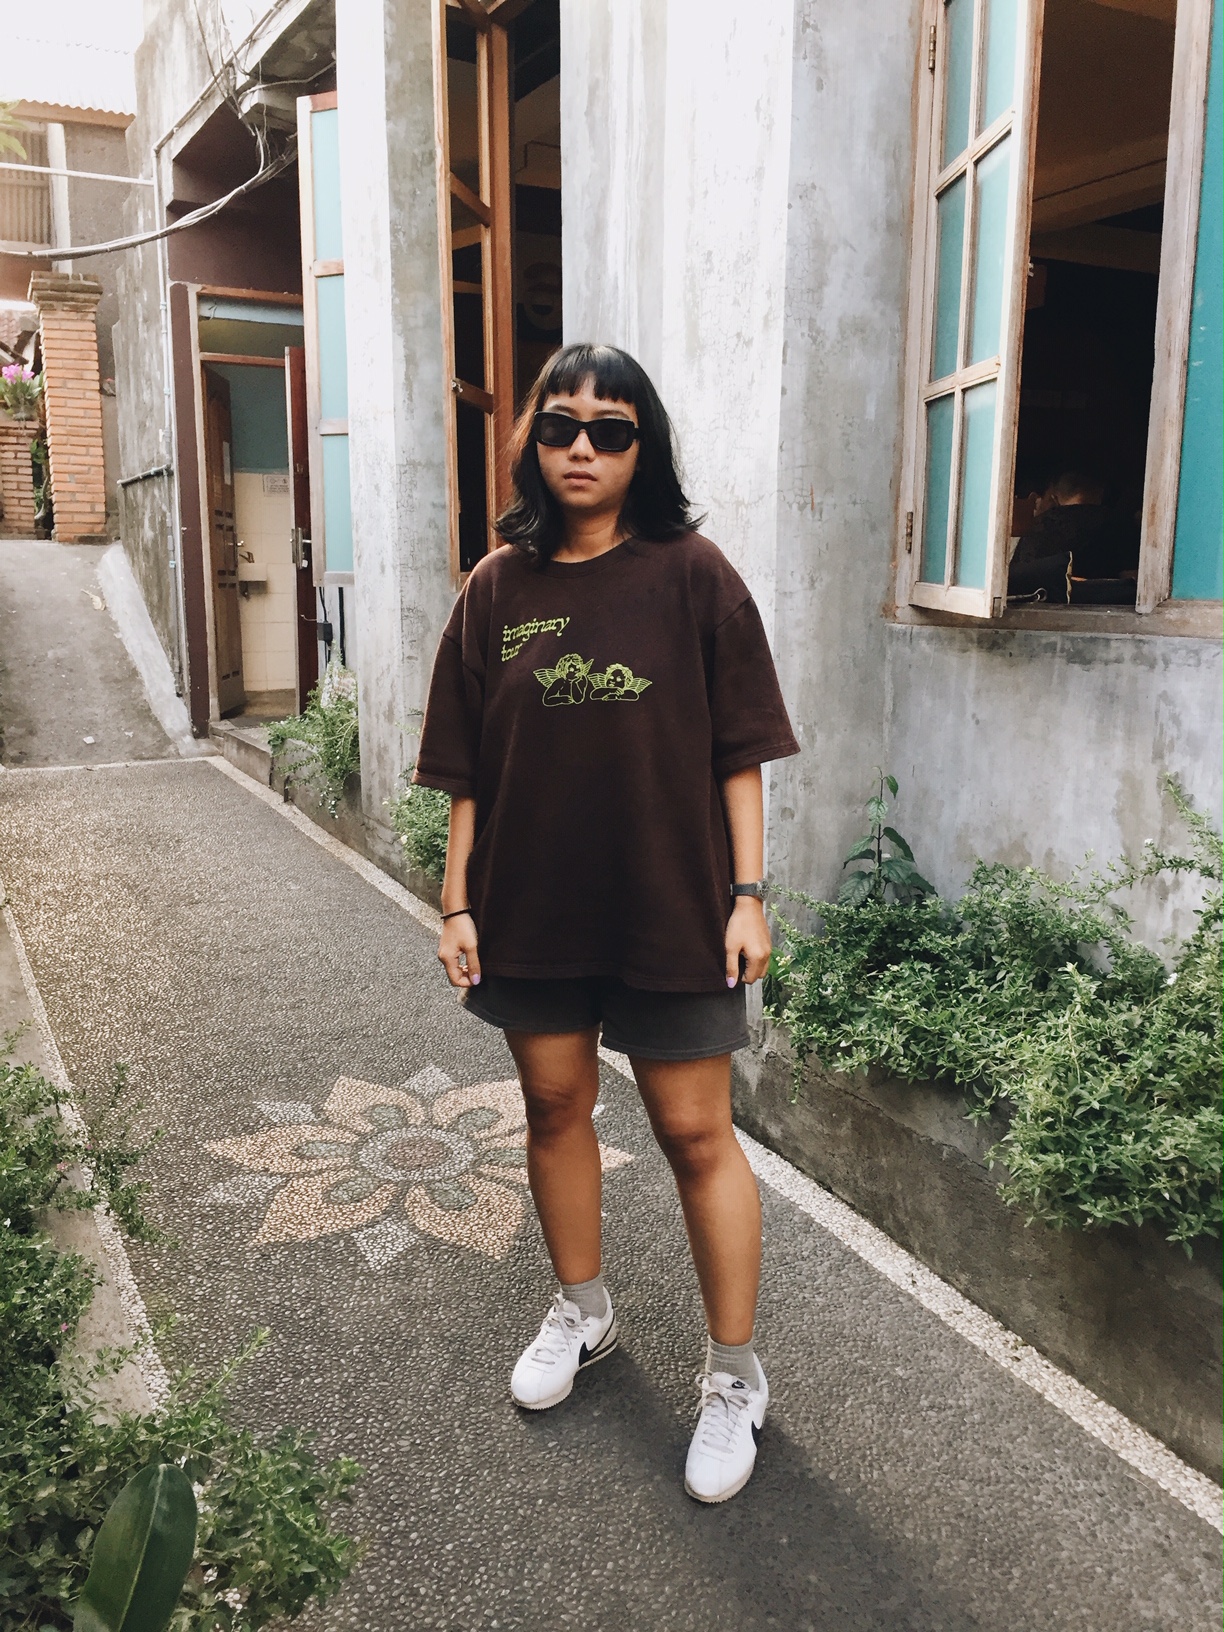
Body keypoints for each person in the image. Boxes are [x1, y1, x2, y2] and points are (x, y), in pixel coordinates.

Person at [414, 342, 799, 1504]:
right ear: (532, 442)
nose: (583, 447)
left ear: (645, 449)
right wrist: (457, 899)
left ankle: (733, 1376)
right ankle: (583, 1310)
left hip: (672, 904)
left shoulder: (695, 576)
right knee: (552, 1107)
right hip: (529, 904)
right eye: (561, 426)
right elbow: (465, 771)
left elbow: (740, 754)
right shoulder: (496, 589)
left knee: (695, 1134)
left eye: (611, 429)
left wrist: (749, 896)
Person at [1008, 469, 1139, 603]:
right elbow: (1133, 585)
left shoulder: (1034, 528)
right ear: (1101, 492)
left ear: (1054, 498)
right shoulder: (1118, 524)